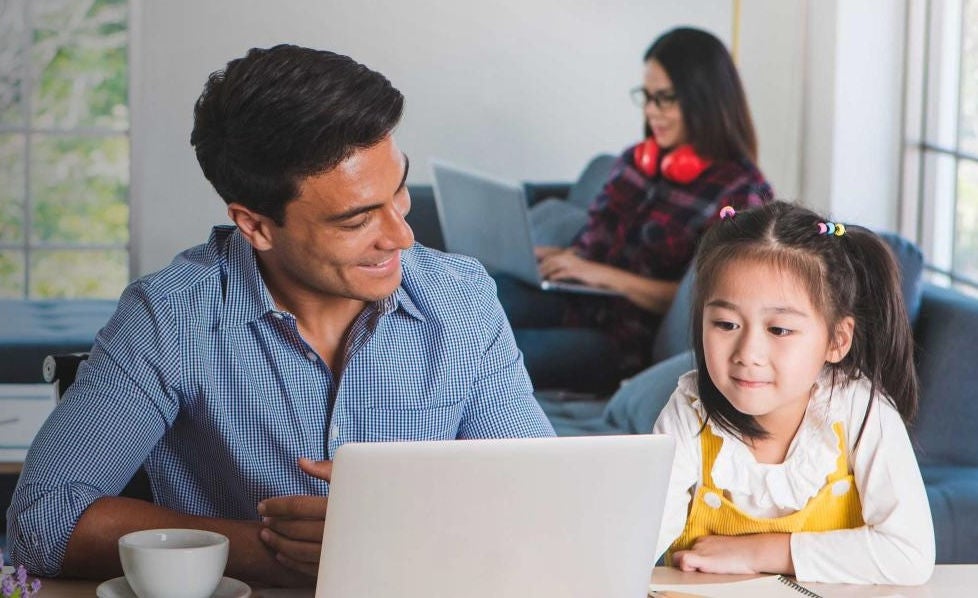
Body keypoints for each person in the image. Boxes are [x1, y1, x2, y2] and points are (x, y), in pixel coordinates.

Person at [6, 44, 555, 586]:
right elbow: (41, 523)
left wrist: (395, 534)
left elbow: (547, 497)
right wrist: (275, 549)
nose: (402, 236)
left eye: (400, 190)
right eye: (356, 220)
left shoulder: (462, 298)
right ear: (257, 226)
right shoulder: (172, 315)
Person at [652, 201, 935, 585]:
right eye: (725, 323)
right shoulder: (689, 412)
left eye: (779, 330)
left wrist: (762, 552)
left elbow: (910, 554)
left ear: (837, 340)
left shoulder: (858, 410)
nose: (748, 354)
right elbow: (638, 542)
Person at [498, 27, 774, 394]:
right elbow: (597, 241)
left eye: (664, 99)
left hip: (619, 343)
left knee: (494, 355)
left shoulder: (741, 193)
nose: (650, 111)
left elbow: (701, 302)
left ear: (704, 100)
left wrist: (599, 275)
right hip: (573, 300)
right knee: (478, 297)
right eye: (646, 97)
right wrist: (563, 258)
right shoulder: (636, 161)